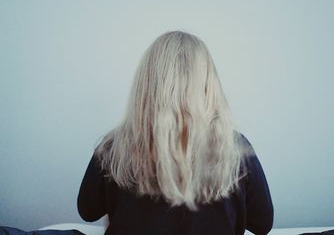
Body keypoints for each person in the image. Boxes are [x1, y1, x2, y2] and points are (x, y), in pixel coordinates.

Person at [77, 30, 273, 235]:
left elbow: (87, 211)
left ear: (146, 84)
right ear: (208, 85)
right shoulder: (234, 149)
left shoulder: (113, 147)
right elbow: (262, 224)